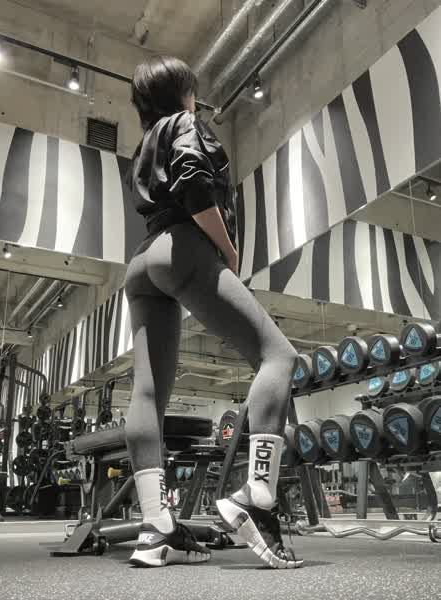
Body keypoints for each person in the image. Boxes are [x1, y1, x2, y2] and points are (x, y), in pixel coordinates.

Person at [124, 55, 302, 569]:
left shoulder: (143, 144)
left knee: (147, 393)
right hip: (182, 247)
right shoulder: (184, 123)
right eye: (193, 90)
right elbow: (194, 181)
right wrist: (225, 247)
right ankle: (257, 498)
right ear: (185, 93)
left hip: (143, 261)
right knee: (279, 356)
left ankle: (156, 528)